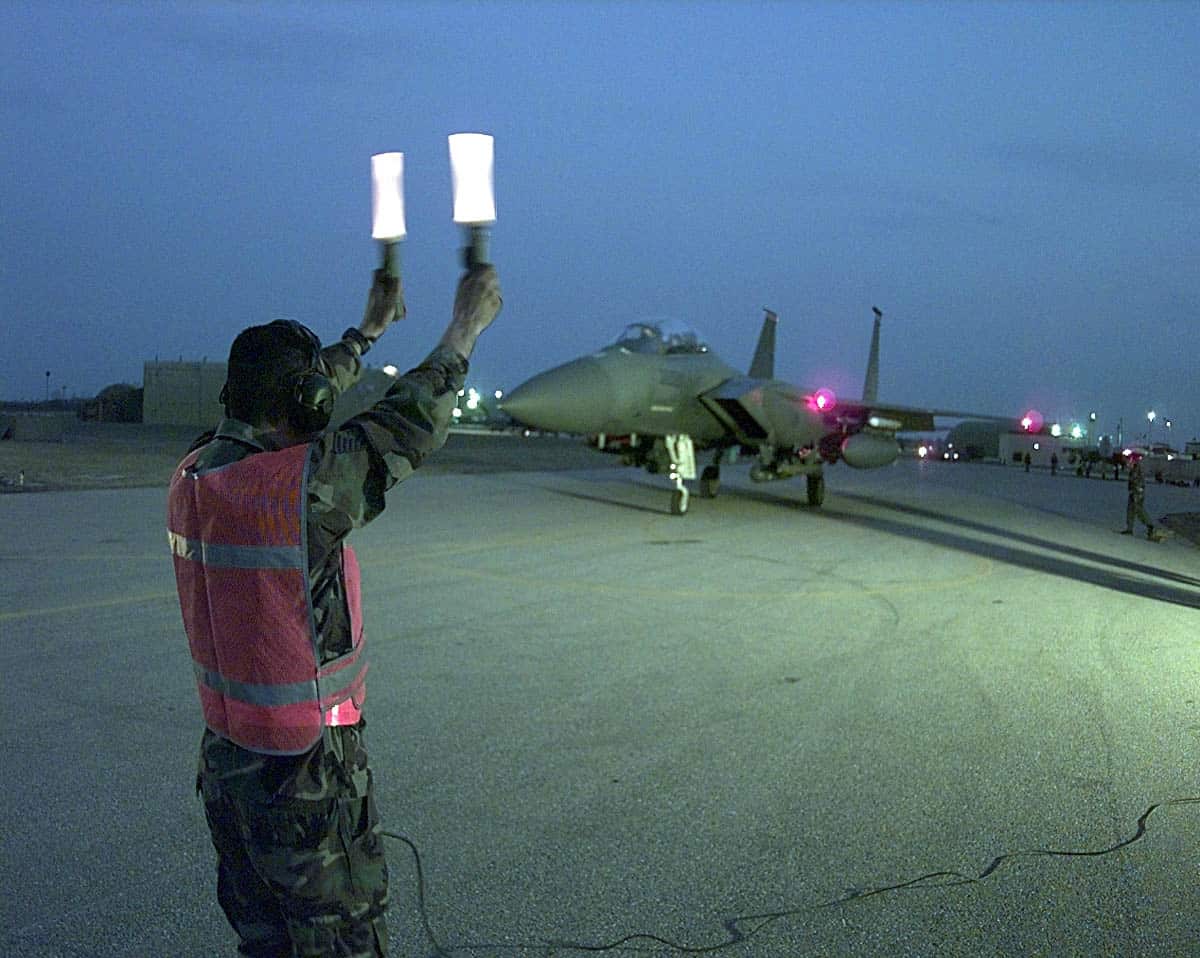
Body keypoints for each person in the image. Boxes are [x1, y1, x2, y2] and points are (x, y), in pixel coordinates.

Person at [167, 262, 502, 957]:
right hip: (303, 783)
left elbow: (304, 397)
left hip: (229, 769)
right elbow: (403, 425)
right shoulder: (293, 491)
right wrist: (464, 329)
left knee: (266, 945)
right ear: (307, 400)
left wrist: (367, 332)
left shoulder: (198, 470)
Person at [1121, 453, 1162, 540]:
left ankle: (1150, 526)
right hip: (1134, 491)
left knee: (1139, 511)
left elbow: (1138, 481)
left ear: (1132, 460)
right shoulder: (1134, 469)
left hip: (1137, 492)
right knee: (1130, 510)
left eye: (1128, 461)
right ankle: (1129, 529)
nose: (1127, 464)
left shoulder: (1137, 468)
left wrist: (1136, 490)